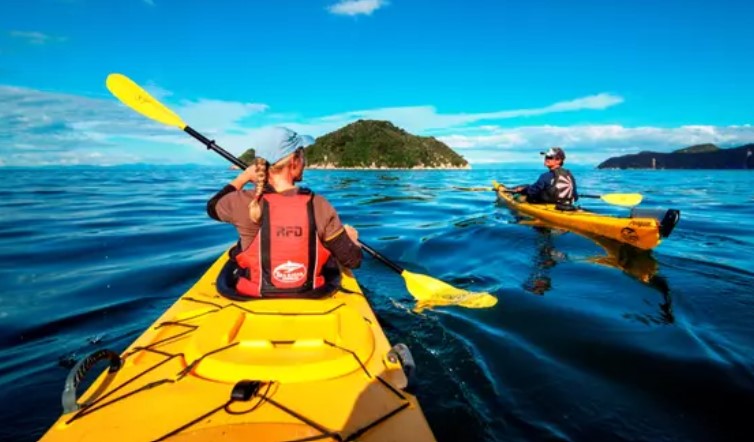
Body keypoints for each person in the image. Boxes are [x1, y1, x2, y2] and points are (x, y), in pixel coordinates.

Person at [206, 127, 362, 298]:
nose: (305, 162)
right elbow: (353, 260)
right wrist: (351, 240)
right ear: (294, 161)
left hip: (253, 297)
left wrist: (243, 177)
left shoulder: (242, 202)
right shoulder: (319, 204)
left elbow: (212, 207)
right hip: (311, 296)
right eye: (302, 155)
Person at [510, 147, 578, 206]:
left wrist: (523, 190)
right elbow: (575, 197)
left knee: (525, 191)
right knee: (528, 186)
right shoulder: (570, 175)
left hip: (548, 204)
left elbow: (532, 192)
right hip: (566, 205)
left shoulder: (546, 176)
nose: (546, 159)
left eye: (550, 157)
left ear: (558, 160)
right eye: (546, 157)